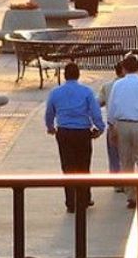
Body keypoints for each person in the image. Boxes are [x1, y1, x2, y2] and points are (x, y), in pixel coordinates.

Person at [44, 63, 105, 213]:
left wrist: (50, 127)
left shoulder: (55, 92)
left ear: (65, 75)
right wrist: (100, 128)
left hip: (64, 132)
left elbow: (49, 112)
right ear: (78, 75)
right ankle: (84, 199)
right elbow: (95, 112)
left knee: (68, 166)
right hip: (82, 132)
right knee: (84, 166)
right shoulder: (87, 92)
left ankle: (71, 202)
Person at [105, 54, 138, 208]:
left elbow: (112, 107)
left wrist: (111, 127)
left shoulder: (117, 85)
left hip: (122, 125)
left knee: (126, 161)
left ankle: (131, 196)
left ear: (124, 68)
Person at [97, 61, 126, 191]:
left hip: (113, 125)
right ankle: (129, 181)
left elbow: (98, 103)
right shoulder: (133, 85)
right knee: (128, 155)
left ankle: (117, 182)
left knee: (114, 155)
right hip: (129, 122)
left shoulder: (107, 86)